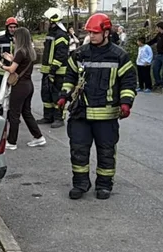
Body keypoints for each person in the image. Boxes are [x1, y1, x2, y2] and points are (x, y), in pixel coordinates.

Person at [58, 13, 137, 200]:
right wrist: (64, 95)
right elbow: (70, 76)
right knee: (78, 150)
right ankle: (80, 184)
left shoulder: (119, 56)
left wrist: (126, 103)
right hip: (80, 113)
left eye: (95, 33)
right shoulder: (79, 53)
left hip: (106, 115)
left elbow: (128, 81)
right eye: (89, 33)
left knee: (106, 152)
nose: (91, 36)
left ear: (106, 32)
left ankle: (104, 185)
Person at [1, 27, 45, 149]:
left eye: (15, 37)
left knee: (14, 114)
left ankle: (12, 142)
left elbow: (12, 69)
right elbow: (21, 63)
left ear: (19, 38)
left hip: (19, 86)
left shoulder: (20, 52)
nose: (13, 39)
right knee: (26, 112)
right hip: (28, 85)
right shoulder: (30, 51)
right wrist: (11, 59)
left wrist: (0, 65)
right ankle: (38, 136)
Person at [38, 8, 70, 129]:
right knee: (46, 95)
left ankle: (59, 118)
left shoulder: (61, 36)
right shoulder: (51, 34)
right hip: (48, 71)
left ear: (53, 21)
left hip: (58, 73)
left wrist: (53, 70)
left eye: (47, 20)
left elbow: (61, 55)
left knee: (57, 95)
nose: (45, 23)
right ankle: (48, 117)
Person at [0, 17, 18, 109]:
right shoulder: (0, 40)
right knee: (0, 94)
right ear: (7, 27)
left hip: (15, 72)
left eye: (14, 27)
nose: (13, 29)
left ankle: (12, 113)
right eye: (11, 27)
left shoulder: (19, 40)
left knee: (13, 95)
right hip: (2, 72)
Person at [146, 22, 163, 88]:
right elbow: (154, 40)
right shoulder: (159, 34)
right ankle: (158, 81)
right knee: (155, 68)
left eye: (157, 28)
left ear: (159, 28)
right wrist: (146, 44)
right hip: (158, 54)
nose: (156, 29)